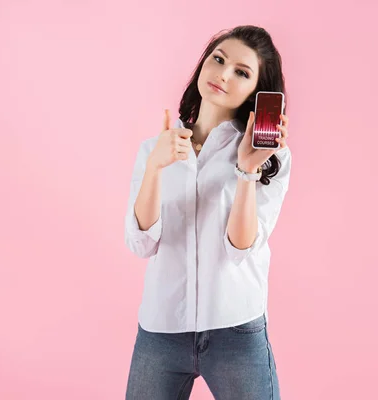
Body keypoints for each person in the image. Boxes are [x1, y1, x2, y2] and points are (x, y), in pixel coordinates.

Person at [124, 25, 292, 400]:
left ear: (258, 91)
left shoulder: (271, 157)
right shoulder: (156, 147)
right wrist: (155, 168)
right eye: (218, 59)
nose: (223, 74)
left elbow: (240, 248)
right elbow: (141, 243)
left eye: (242, 72)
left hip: (235, 330)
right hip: (161, 328)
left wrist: (247, 168)